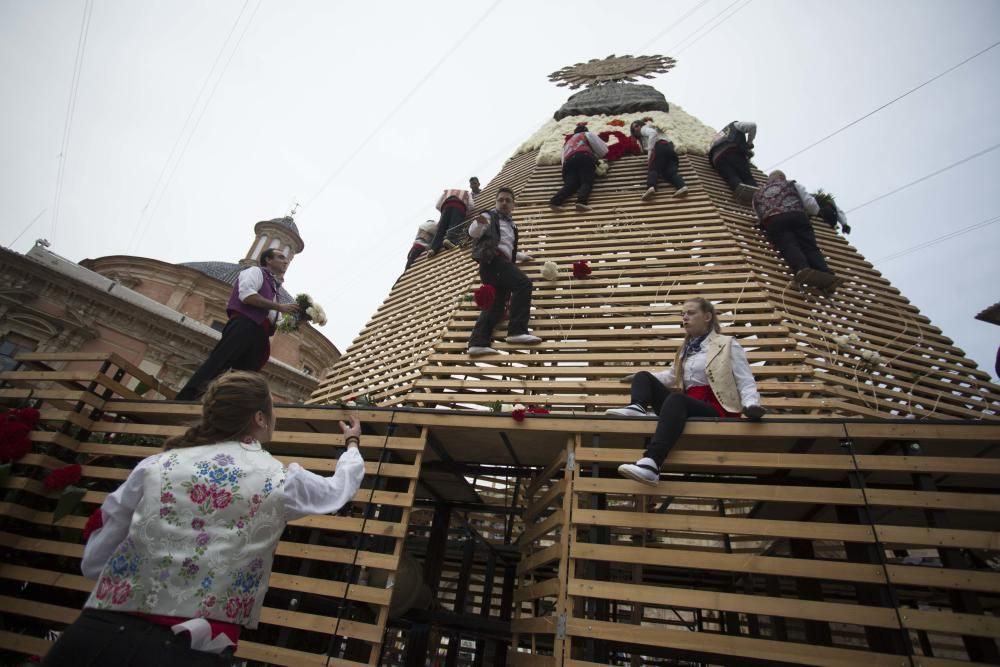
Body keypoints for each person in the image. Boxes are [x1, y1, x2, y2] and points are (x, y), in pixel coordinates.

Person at [43, 371, 365, 666]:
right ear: (259, 417)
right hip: (191, 651)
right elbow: (338, 490)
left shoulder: (156, 465)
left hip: (98, 634)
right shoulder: (280, 480)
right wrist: (352, 443)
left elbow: (95, 562)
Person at [608, 298, 765, 486]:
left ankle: (652, 464)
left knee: (677, 399)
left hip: (715, 406)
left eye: (691, 313)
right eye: (683, 314)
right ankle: (637, 407)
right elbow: (672, 376)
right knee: (643, 375)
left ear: (707, 317)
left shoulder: (728, 344)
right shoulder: (685, 349)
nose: (685, 317)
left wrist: (751, 404)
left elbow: (745, 379)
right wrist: (641, 380)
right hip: (685, 405)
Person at [176, 249, 299, 401]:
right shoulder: (254, 271)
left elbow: (275, 319)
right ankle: (185, 400)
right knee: (218, 364)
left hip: (260, 334)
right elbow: (247, 295)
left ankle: (227, 410)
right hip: (244, 324)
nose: (285, 261)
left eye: (286, 259)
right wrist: (279, 307)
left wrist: (299, 318)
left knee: (243, 380)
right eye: (280, 257)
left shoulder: (275, 289)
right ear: (268, 260)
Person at [467, 187, 540, 355]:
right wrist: (478, 223)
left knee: (496, 305)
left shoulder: (512, 226)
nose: (504, 203)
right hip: (492, 261)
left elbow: (506, 247)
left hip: (500, 263)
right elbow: (474, 233)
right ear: (496, 202)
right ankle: (517, 331)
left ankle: (477, 342)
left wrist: (521, 256)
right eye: (501, 200)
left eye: (508, 200)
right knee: (523, 284)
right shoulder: (489, 216)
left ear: (513, 205)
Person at [753, 170, 842, 295]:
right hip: (796, 215)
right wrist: (817, 212)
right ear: (782, 177)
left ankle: (802, 268)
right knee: (809, 246)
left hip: (773, 220)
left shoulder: (758, 192)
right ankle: (824, 271)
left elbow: (758, 212)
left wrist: (764, 223)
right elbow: (809, 203)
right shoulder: (791, 184)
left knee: (789, 246)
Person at [550, 123, 609, 213]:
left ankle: (555, 202)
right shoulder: (586, 134)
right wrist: (598, 160)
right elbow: (602, 150)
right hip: (584, 157)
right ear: (585, 130)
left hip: (568, 163)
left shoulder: (567, 143)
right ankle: (581, 202)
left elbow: (563, 160)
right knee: (586, 180)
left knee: (570, 184)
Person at [631, 118, 688, 201]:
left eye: (636, 126)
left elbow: (653, 134)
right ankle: (682, 186)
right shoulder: (652, 129)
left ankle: (651, 187)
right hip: (670, 149)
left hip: (659, 147)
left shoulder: (644, 128)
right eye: (633, 129)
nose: (635, 129)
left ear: (641, 124)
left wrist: (650, 150)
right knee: (669, 172)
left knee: (653, 168)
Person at [709, 120, 758, 202]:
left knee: (731, 176)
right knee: (746, 176)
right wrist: (749, 143)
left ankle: (739, 190)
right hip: (732, 151)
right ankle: (757, 197)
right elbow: (753, 126)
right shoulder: (735, 125)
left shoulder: (718, 136)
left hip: (717, 159)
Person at [427, 185, 476, 257]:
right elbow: (471, 205)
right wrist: (464, 214)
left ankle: (433, 249)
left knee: (441, 228)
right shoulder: (467, 193)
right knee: (455, 225)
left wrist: (443, 212)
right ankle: (450, 240)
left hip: (446, 207)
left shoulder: (446, 192)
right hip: (459, 207)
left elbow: (437, 205)